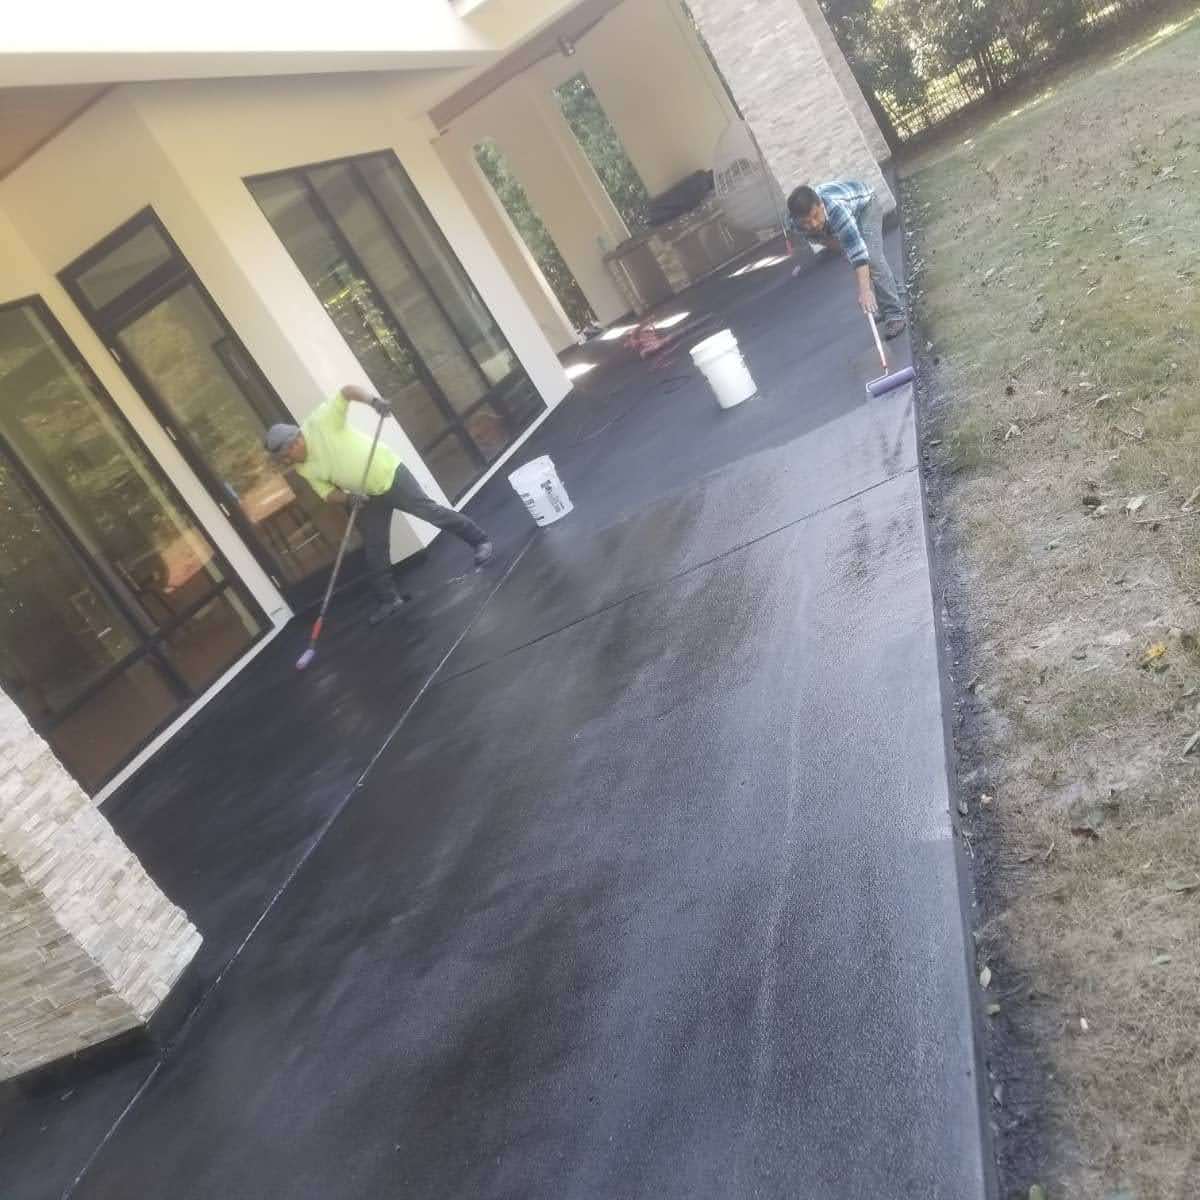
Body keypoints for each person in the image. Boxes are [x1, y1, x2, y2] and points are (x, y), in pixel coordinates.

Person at [264, 384, 493, 626]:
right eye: (283, 460)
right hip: (366, 496)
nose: (288, 462)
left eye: (286, 457)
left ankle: (480, 541)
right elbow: (327, 493)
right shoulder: (303, 467)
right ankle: (389, 599)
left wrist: (373, 401)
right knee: (375, 546)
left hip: (390, 474)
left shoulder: (321, 422)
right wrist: (348, 498)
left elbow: (347, 391)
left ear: (295, 442)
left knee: (430, 512)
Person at [786, 180, 907, 340]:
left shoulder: (835, 208)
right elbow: (821, 238)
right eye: (807, 222)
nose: (813, 224)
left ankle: (894, 314)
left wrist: (865, 290)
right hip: (840, 219)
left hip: (866, 206)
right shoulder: (795, 224)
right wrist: (845, 251)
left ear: (821, 205)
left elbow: (859, 253)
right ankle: (895, 294)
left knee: (871, 257)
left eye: (815, 216)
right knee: (860, 260)